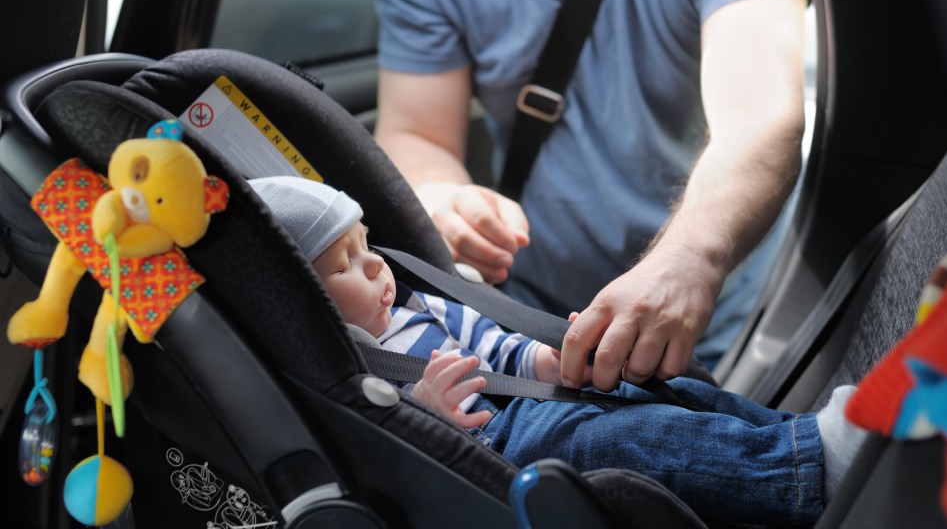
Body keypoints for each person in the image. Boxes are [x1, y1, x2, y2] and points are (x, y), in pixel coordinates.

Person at [249, 176, 865, 526]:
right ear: (307, 300)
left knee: (665, 393)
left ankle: (799, 437)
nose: (376, 266)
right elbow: (396, 444)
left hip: (533, 398)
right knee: (617, 443)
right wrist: (432, 411)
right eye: (345, 265)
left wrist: (551, 360)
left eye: (366, 245)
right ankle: (801, 471)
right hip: (498, 443)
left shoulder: (418, 307)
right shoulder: (351, 367)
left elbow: (493, 345)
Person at [372, 0, 813, 386]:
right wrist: (442, 195)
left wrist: (692, 259)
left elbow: (760, 121)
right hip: (534, 319)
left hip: (716, 315)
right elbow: (417, 133)